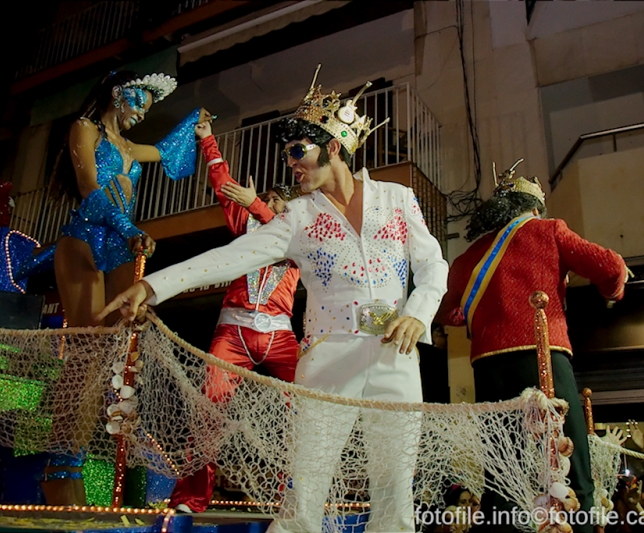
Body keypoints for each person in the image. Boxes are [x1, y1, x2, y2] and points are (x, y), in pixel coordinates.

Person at [99, 65, 449, 533]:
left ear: (334, 148)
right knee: (306, 491)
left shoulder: (398, 198)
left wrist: (417, 315)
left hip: (396, 351)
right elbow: (231, 257)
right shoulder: (298, 217)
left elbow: (433, 266)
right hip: (327, 357)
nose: (291, 163)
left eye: (298, 151)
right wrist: (152, 285)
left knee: (395, 493)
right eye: (287, 155)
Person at [32, 70, 207, 506]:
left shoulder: (132, 148)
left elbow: (167, 152)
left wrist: (197, 122)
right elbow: (91, 189)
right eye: (138, 103)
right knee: (85, 356)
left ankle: (76, 459)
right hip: (85, 241)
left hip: (120, 249)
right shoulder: (84, 128)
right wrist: (132, 227)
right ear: (118, 93)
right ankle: (59, 469)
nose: (141, 113)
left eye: (148, 108)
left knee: (110, 358)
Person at [437, 159, 629, 533]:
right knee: (570, 465)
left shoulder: (468, 257)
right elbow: (608, 266)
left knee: (500, 472)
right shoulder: (548, 230)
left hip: (488, 369)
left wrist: (489, 316)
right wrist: (615, 287)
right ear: (534, 208)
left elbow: (449, 312)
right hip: (544, 356)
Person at [168, 120, 301, 514]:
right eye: (268, 198)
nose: (269, 205)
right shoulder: (245, 226)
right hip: (233, 332)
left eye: (278, 201)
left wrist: (257, 202)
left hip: (279, 336)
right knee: (208, 411)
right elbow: (222, 180)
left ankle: (292, 496)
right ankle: (192, 497)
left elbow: (284, 229)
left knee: (307, 409)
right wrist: (208, 137)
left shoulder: (299, 237)